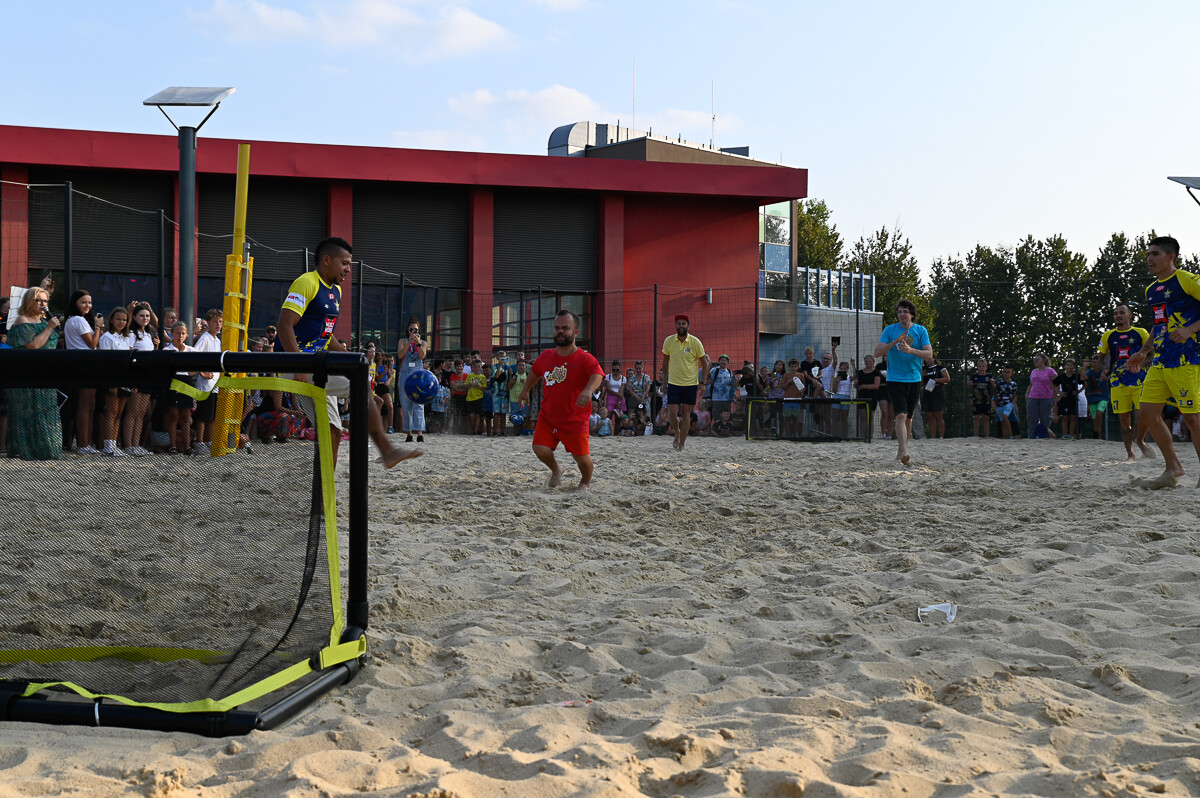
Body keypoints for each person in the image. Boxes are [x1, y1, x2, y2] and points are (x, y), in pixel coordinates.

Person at [276, 236, 420, 467]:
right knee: (360, 384)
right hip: (296, 364)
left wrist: (349, 354)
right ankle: (387, 450)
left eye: (350, 265)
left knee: (333, 432)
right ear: (326, 260)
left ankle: (325, 487)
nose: (348, 269)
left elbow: (325, 335)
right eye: (344, 263)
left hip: (315, 365)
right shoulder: (307, 282)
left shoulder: (336, 291)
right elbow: (284, 325)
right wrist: (299, 364)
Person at [1123, 236, 1200, 488]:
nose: (1149, 258)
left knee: (1193, 419)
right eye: (1148, 254)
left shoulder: (1187, 280)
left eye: (1154, 254)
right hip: (1160, 361)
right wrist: (1144, 351)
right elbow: (1159, 325)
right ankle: (1173, 467)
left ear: (1171, 256)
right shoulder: (1151, 290)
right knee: (1147, 413)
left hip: (1188, 359)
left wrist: (1189, 329)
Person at [517, 309, 605, 491]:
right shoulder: (546, 356)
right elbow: (535, 372)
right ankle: (557, 469)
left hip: (574, 419)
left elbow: (597, 375)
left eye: (565, 328)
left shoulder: (585, 358)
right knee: (539, 448)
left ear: (576, 332)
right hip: (548, 417)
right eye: (557, 328)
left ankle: (585, 482)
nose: (560, 331)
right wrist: (525, 390)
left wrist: (588, 390)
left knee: (581, 458)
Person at [874, 298, 933, 465]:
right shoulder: (890, 330)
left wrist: (911, 350)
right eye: (899, 311)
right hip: (895, 379)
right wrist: (895, 342)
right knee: (900, 414)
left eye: (905, 311)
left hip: (914, 379)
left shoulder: (920, 330)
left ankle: (901, 451)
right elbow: (877, 352)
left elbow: (929, 354)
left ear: (912, 314)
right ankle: (905, 451)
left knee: (908, 418)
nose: (902, 314)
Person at [7, 286, 62, 460]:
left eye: (45, 301)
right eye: (39, 300)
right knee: (29, 410)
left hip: (45, 372)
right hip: (27, 374)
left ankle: (47, 448)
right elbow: (33, 345)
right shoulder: (22, 320)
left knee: (46, 410)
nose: (42, 304)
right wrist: (49, 328)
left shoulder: (45, 321)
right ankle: (27, 449)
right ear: (29, 301)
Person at [1097, 304, 1152, 461]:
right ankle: (1130, 454)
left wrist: (1141, 365)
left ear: (1130, 315)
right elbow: (1101, 358)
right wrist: (1105, 369)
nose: (1118, 315)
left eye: (1122, 312)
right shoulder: (1108, 335)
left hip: (1139, 380)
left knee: (1142, 416)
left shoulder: (1141, 332)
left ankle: (1140, 441)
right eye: (1115, 313)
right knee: (1124, 421)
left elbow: (1152, 354)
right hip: (1118, 383)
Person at [661, 314, 710, 451]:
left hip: (690, 384)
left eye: (683, 323)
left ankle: (681, 443)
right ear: (675, 325)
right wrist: (664, 382)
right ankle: (677, 431)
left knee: (686, 413)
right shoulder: (669, 341)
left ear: (688, 325)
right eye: (679, 323)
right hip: (673, 383)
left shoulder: (695, 342)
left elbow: (704, 363)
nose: (681, 326)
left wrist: (702, 382)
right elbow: (665, 362)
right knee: (672, 413)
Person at [63, 290, 101, 454]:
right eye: (83, 302)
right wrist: (98, 327)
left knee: (89, 404)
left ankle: (86, 443)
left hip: (84, 363)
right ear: (75, 303)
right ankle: (83, 444)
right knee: (85, 405)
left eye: (89, 302)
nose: (87, 305)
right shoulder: (78, 320)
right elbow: (92, 344)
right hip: (84, 364)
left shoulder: (74, 320)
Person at [98, 306, 133, 456]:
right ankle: (107, 446)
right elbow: (106, 362)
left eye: (124, 320)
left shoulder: (125, 338)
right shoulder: (107, 337)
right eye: (118, 319)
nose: (121, 322)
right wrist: (110, 382)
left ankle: (114, 444)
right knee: (111, 413)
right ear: (111, 320)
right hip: (113, 379)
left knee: (119, 413)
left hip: (125, 379)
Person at [396, 318, 427, 443]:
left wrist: (418, 344)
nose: (413, 332)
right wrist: (409, 343)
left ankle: (419, 433)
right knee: (406, 405)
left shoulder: (423, 343)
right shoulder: (402, 341)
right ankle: (409, 433)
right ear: (408, 331)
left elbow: (422, 356)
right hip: (405, 375)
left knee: (418, 404)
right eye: (411, 330)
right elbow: (400, 355)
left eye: (416, 330)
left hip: (418, 376)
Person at [1026, 352, 1057, 439]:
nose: (1035, 361)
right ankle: (1031, 437)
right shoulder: (1033, 371)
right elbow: (1031, 384)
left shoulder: (1051, 371)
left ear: (1043, 360)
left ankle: (1044, 437)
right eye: (1035, 359)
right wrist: (1027, 394)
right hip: (1033, 397)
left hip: (1046, 397)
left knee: (1045, 419)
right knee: (1032, 419)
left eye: (1038, 359)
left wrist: (1056, 395)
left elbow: (1057, 384)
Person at [1052, 358, 1083, 440]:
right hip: (1064, 399)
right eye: (1067, 365)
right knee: (1065, 417)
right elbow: (1052, 384)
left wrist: (1079, 391)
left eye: (1071, 365)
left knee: (1073, 417)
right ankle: (1065, 435)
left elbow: (1085, 384)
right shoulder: (1061, 376)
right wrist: (1059, 392)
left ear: (1074, 367)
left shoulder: (1077, 376)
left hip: (1073, 398)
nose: (1069, 367)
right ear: (1065, 366)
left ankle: (1071, 435)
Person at [854, 354, 882, 439]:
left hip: (872, 396)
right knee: (862, 417)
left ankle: (870, 435)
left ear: (873, 362)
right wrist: (855, 384)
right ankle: (862, 435)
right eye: (866, 361)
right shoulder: (860, 372)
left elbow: (876, 385)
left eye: (870, 361)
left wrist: (864, 386)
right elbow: (856, 386)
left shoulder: (876, 372)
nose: (868, 362)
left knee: (870, 417)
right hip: (861, 396)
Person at [1082, 355, 1107, 441]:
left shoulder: (1104, 371)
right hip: (1092, 397)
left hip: (1103, 397)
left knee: (1099, 413)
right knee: (1095, 417)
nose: (1095, 364)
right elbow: (1083, 378)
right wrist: (1084, 367)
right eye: (1093, 362)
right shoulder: (1090, 372)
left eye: (1096, 362)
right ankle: (1096, 435)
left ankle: (1098, 435)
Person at [968, 358, 995, 438]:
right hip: (976, 401)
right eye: (980, 366)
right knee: (976, 418)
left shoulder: (989, 376)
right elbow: (969, 385)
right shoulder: (974, 376)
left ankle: (987, 436)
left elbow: (994, 387)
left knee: (986, 418)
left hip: (986, 401)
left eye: (983, 366)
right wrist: (969, 383)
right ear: (977, 367)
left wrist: (993, 383)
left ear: (986, 367)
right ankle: (975, 436)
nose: (981, 368)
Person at [993, 366, 1021, 439]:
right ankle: (1006, 436)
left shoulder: (1013, 384)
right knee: (1002, 421)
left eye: (1008, 372)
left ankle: (1011, 434)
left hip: (1008, 403)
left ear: (1011, 373)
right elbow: (995, 392)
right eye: (1004, 371)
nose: (1006, 373)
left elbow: (1015, 396)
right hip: (1000, 404)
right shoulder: (998, 382)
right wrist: (996, 403)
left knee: (1005, 417)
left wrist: (1011, 404)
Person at [707, 354, 736, 420]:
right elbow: (707, 375)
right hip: (716, 398)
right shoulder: (714, 370)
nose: (723, 362)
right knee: (716, 416)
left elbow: (733, 384)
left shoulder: (730, 372)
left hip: (727, 398)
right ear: (719, 361)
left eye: (725, 360)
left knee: (727, 416)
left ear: (728, 362)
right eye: (721, 360)